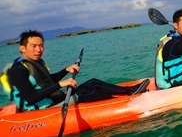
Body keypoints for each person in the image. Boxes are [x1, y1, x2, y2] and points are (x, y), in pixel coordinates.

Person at [0, 30, 149, 112]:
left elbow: (47, 80)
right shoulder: (18, 70)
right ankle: (122, 106)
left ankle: (129, 91)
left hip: (53, 99)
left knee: (92, 82)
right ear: (22, 48)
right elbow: (31, 98)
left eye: (41, 45)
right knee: (86, 93)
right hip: (43, 108)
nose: (39, 49)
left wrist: (66, 70)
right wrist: (61, 84)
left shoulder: (34, 62)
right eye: (34, 46)